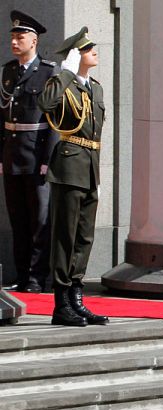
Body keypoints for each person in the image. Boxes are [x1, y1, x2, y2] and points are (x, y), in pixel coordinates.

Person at [38, 27, 107, 327]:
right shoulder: (61, 84)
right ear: (76, 56)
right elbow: (45, 104)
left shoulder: (96, 88)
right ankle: (61, 303)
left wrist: (97, 176)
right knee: (64, 237)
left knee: (84, 237)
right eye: (88, 49)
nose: (94, 51)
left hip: (90, 168)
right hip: (68, 168)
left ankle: (76, 299)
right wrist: (66, 73)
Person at [0, 10, 57, 293]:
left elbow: (54, 122)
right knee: (18, 220)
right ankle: (22, 276)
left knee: (39, 221)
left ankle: (36, 278)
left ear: (33, 41)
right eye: (13, 36)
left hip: (36, 157)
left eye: (20, 37)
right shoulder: (8, 71)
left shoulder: (48, 72)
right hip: (12, 156)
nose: (14, 41)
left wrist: (48, 160)